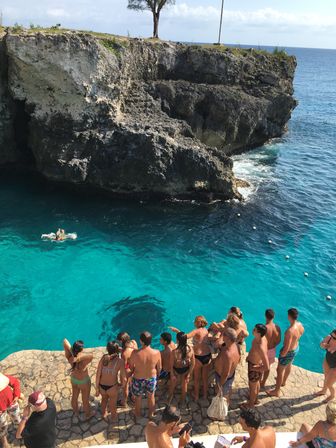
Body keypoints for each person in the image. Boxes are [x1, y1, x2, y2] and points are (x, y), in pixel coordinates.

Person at [170, 315, 212, 400]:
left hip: (198, 357)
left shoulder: (196, 331)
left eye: (195, 322)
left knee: (197, 379)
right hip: (207, 356)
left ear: (197, 323)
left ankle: (196, 396)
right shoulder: (206, 331)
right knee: (205, 379)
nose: (194, 323)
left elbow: (185, 337)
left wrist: (177, 331)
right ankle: (204, 396)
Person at [267, 308, 304, 397]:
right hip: (296, 349)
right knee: (289, 365)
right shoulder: (300, 325)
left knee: (279, 370)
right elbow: (301, 334)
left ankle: (277, 391)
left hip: (288, 352)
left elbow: (286, 347)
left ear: (289, 316)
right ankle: (283, 382)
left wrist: (282, 355)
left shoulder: (289, 331)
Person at [129, 331, 161, 419]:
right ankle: (151, 414)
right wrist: (158, 377)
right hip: (151, 378)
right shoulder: (157, 352)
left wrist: (136, 370)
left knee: (138, 398)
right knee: (151, 396)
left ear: (141, 341)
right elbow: (159, 368)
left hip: (138, 378)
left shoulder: (135, 353)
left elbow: (131, 367)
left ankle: (138, 415)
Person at [63, 338, 94, 419]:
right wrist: (79, 358)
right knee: (85, 400)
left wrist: (72, 352)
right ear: (82, 349)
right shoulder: (84, 360)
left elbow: (65, 341)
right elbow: (91, 356)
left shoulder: (70, 357)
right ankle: (88, 415)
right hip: (83, 382)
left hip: (74, 380)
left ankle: (76, 412)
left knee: (74, 397)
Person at [95, 341, 126, 422]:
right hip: (112, 387)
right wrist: (122, 386)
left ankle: (103, 414)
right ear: (117, 350)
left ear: (107, 349)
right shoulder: (120, 361)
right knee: (112, 404)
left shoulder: (103, 358)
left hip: (102, 386)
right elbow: (124, 378)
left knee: (104, 400)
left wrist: (97, 388)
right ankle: (113, 417)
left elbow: (98, 374)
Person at [242, 324, 269, 408]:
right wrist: (249, 356)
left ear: (259, 333)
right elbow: (253, 349)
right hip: (255, 363)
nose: (253, 330)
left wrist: (255, 368)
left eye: (254, 330)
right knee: (257, 383)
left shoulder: (260, 346)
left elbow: (267, 366)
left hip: (255, 366)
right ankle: (255, 400)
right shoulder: (260, 338)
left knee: (252, 386)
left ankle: (250, 405)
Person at [214, 328, 240, 406]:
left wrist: (219, 385)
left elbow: (225, 374)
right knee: (226, 394)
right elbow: (239, 358)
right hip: (230, 376)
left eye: (224, 334)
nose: (222, 336)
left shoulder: (228, 354)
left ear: (228, 338)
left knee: (222, 397)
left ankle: (221, 414)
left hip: (223, 379)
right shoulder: (236, 345)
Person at [169, 332, 195, 404]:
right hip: (186, 370)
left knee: (172, 385)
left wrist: (172, 374)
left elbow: (171, 365)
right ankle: (182, 401)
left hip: (176, 370)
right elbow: (193, 363)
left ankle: (169, 399)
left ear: (177, 340)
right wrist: (189, 374)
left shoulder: (174, 352)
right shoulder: (190, 350)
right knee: (184, 385)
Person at [260, 309, 281, 388]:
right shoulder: (277, 328)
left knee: (260, 367)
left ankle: (258, 382)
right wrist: (272, 346)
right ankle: (263, 382)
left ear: (265, 316)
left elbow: (260, 341)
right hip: (272, 350)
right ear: (274, 316)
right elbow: (279, 340)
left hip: (264, 351)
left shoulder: (264, 328)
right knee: (267, 367)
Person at [0, 373, 21, 448]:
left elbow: (15, 382)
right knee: (1, 425)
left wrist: (16, 394)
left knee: (17, 418)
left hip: (12, 402)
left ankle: (20, 430)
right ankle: (4, 440)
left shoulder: (3, 378)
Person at [117, 331, 138, 406]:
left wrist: (123, 376)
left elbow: (125, 366)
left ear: (121, 341)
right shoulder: (134, 342)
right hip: (136, 368)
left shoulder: (124, 353)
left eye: (119, 341)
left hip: (128, 370)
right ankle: (133, 398)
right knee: (133, 384)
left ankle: (124, 402)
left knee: (125, 387)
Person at [315, 329, 336, 402]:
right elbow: (321, 345)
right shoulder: (329, 338)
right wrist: (323, 345)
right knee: (326, 376)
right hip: (327, 360)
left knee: (329, 383)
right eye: (332, 336)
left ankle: (332, 395)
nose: (332, 338)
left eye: (334, 338)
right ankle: (324, 391)